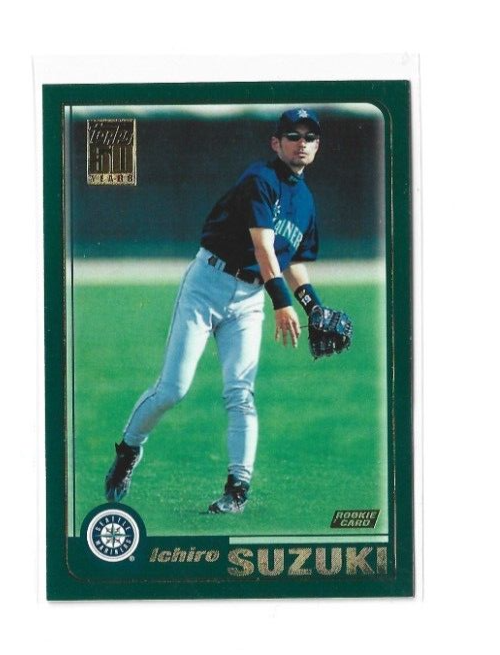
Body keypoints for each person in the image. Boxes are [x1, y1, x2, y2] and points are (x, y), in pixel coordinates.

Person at [105, 108, 325, 513]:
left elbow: (292, 259)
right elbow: (262, 247)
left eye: (309, 137)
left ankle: (237, 489)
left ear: (317, 146)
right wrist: (283, 302)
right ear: (276, 143)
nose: (301, 144)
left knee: (241, 394)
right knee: (173, 389)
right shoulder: (261, 179)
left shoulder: (306, 202)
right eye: (293, 136)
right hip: (207, 285)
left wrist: (314, 307)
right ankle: (130, 449)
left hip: (249, 300)